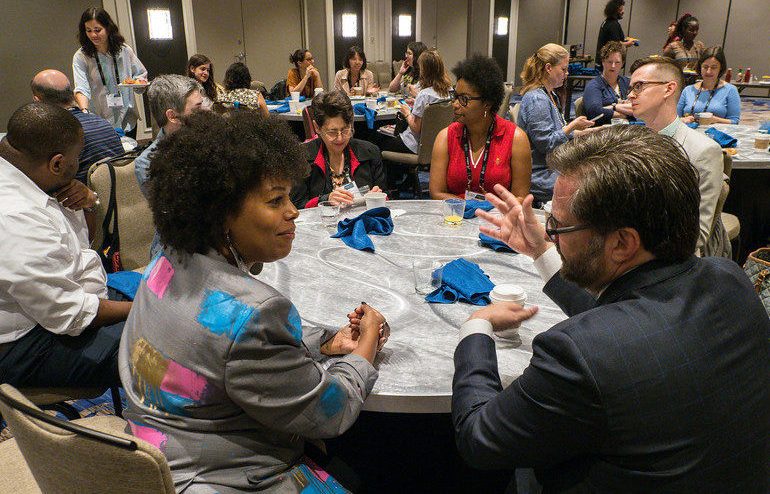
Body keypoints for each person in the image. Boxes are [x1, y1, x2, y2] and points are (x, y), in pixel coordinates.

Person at [454, 125, 770, 492]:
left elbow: (479, 439)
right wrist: (543, 250)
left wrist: (475, 327)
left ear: (622, 243)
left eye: (557, 226)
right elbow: (629, 321)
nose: (550, 232)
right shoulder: (728, 279)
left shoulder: (576, 353)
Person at [119, 110, 389, 492]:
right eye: (276, 200)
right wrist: (366, 346)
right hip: (224, 479)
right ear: (222, 213)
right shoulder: (254, 312)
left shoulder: (164, 264)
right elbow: (333, 411)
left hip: (157, 456)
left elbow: (226, 355)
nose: (293, 211)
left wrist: (325, 342)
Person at [0, 102, 132, 388]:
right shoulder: (15, 215)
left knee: (162, 314)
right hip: (24, 345)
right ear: (57, 163)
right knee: (156, 349)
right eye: (78, 156)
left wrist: (88, 203)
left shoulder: (32, 177)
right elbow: (70, 314)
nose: (79, 163)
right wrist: (139, 309)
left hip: (63, 308)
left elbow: (81, 248)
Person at [629, 56, 727, 257]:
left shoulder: (703, 151)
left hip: (670, 263)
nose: (630, 95)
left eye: (639, 86)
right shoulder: (633, 144)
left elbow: (696, 234)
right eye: (631, 87)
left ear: (668, 88)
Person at [430, 55, 531, 201]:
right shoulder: (445, 137)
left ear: (487, 103)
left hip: (499, 219)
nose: (455, 104)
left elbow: (520, 197)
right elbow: (436, 193)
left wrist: (488, 209)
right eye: (455, 96)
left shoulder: (516, 139)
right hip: (456, 218)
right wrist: (471, 207)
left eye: (464, 99)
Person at [517, 43, 594, 205]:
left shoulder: (550, 95)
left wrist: (586, 133)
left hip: (551, 167)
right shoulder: (536, 99)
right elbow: (546, 143)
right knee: (589, 186)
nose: (566, 74)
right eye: (563, 69)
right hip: (539, 175)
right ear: (548, 68)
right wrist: (572, 126)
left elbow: (556, 135)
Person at [291, 90, 386, 209]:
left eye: (345, 130)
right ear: (317, 128)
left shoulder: (370, 152)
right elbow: (295, 206)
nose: (340, 138)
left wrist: (378, 196)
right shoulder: (302, 156)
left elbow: (387, 199)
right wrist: (326, 200)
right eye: (332, 132)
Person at [31, 69, 124, 183]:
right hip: (118, 193)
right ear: (72, 94)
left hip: (81, 199)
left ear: (37, 101)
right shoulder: (104, 123)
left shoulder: (53, 135)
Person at [73, 7, 147, 139]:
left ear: (108, 28)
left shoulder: (124, 50)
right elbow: (81, 88)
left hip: (127, 117)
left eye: (97, 30)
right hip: (100, 119)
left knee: (128, 155)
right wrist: (84, 112)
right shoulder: (81, 56)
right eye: (88, 30)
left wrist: (139, 83)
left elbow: (140, 75)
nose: (93, 35)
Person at [134, 74, 205, 198]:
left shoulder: (209, 139)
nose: (206, 111)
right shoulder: (148, 163)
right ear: (172, 116)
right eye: (197, 108)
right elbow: (172, 212)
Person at [379, 49, 451, 157]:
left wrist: (407, 112)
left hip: (415, 145)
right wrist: (416, 101)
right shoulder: (449, 91)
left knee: (378, 141)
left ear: (425, 70)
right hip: (439, 145)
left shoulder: (424, 94)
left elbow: (416, 128)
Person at [677, 47, 741, 125]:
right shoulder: (688, 90)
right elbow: (675, 118)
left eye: (714, 68)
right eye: (705, 67)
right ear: (700, 67)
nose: (708, 71)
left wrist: (714, 119)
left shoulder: (730, 90)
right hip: (688, 133)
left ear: (720, 69)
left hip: (715, 135)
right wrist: (683, 119)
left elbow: (734, 121)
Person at [583, 42, 634, 125]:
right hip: (603, 131)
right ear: (603, 62)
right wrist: (619, 108)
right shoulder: (594, 85)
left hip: (627, 129)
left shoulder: (627, 82)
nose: (613, 66)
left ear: (622, 64)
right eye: (609, 62)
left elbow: (640, 107)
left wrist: (610, 107)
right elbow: (594, 112)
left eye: (617, 62)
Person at [595, 0, 635, 70]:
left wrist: (625, 40)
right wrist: (628, 43)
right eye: (621, 10)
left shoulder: (606, 22)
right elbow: (615, 45)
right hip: (609, 63)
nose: (623, 12)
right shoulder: (613, 25)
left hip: (604, 61)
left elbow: (612, 40)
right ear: (615, 11)